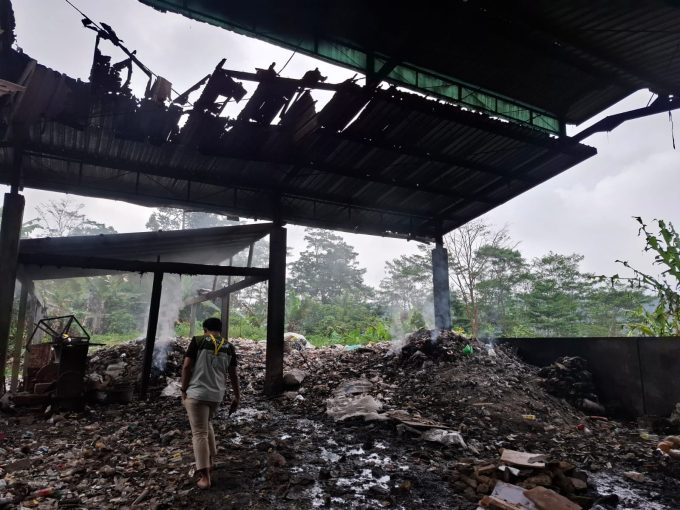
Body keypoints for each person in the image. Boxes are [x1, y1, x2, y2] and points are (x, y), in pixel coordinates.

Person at [181, 317, 240, 489]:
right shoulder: (229, 346)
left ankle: (205, 477)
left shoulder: (198, 341)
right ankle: (211, 461)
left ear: (205, 329)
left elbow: (186, 366)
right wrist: (237, 396)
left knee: (199, 433)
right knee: (206, 423)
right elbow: (233, 374)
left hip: (197, 393)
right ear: (220, 329)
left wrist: (183, 389)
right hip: (216, 395)